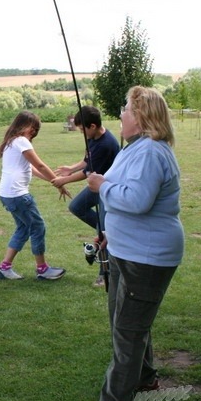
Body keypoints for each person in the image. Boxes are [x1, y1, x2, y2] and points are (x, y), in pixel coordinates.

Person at [82, 86, 184, 401]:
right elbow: (126, 196)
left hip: (148, 257)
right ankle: (144, 377)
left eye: (126, 110)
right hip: (126, 250)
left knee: (127, 330)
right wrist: (110, 232)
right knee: (126, 322)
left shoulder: (152, 152)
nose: (121, 116)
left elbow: (138, 199)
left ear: (140, 117)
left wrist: (101, 186)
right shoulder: (134, 150)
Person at [0, 110, 70, 281]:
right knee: (37, 227)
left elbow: (32, 169)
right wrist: (58, 181)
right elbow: (41, 165)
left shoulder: (11, 142)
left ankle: (4, 268)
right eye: (32, 127)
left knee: (24, 228)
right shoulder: (21, 141)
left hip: (7, 194)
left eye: (36, 129)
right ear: (22, 125)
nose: (34, 132)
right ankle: (42, 269)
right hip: (17, 194)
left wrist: (55, 182)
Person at [52, 106, 120, 287]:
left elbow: (87, 173)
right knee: (76, 207)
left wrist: (63, 181)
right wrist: (69, 169)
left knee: (104, 232)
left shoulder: (106, 144)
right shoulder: (92, 138)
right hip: (95, 186)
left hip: (107, 189)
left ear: (92, 126)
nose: (81, 133)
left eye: (82, 129)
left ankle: (104, 274)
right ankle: (104, 227)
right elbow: (86, 162)